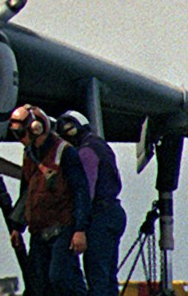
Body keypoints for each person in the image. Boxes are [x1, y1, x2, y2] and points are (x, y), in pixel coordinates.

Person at [9, 104, 91, 296]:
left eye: (21, 134)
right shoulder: (30, 154)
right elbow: (27, 192)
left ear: (36, 129)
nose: (19, 139)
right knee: (40, 284)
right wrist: (16, 226)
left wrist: (80, 229)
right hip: (38, 231)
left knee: (61, 278)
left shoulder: (65, 152)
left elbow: (80, 191)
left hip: (62, 228)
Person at [58, 111, 124, 296]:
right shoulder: (100, 145)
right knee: (109, 277)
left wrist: (80, 225)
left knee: (97, 279)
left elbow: (87, 192)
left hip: (99, 217)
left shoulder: (86, 151)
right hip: (114, 211)